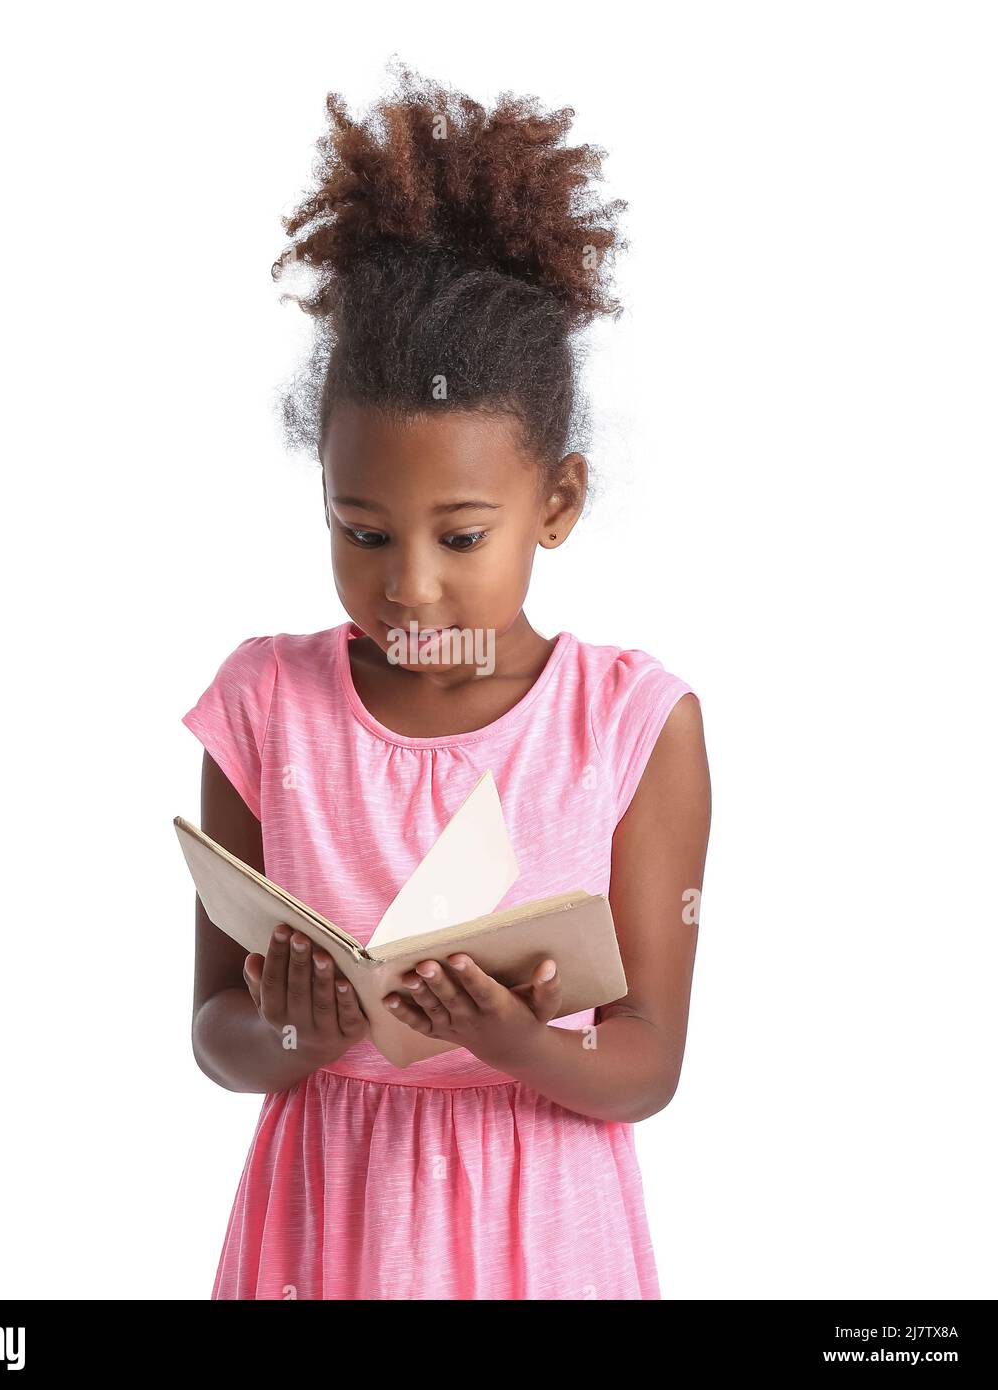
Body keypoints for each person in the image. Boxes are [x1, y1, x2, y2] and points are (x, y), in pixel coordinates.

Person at [183, 63, 711, 1300]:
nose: (408, 586)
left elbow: (647, 1062)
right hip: (329, 1228)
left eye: (460, 536)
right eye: (362, 531)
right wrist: (294, 1035)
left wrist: (510, 1037)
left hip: (544, 1231)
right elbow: (214, 1027)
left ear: (558, 503)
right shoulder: (263, 707)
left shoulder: (632, 726)